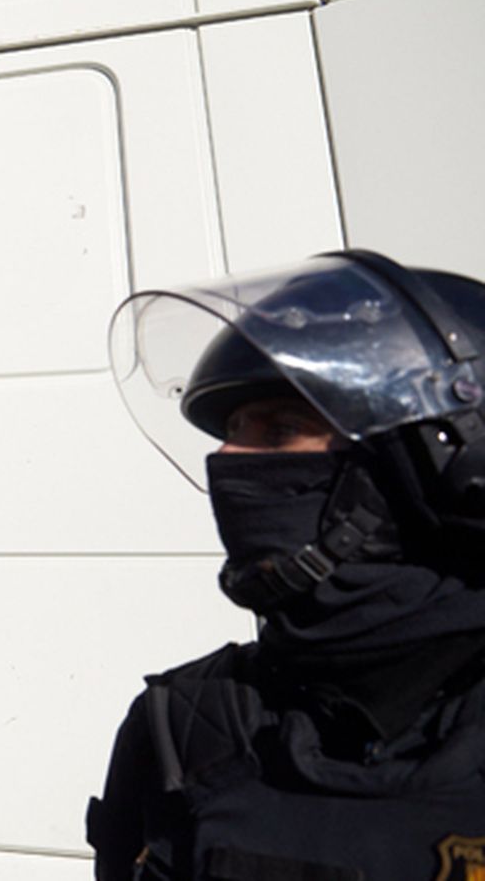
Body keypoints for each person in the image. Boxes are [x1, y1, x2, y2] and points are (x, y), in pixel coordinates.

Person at [88, 250, 485, 879]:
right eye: (231, 431)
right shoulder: (186, 728)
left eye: (278, 430)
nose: (227, 460)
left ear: (440, 467)